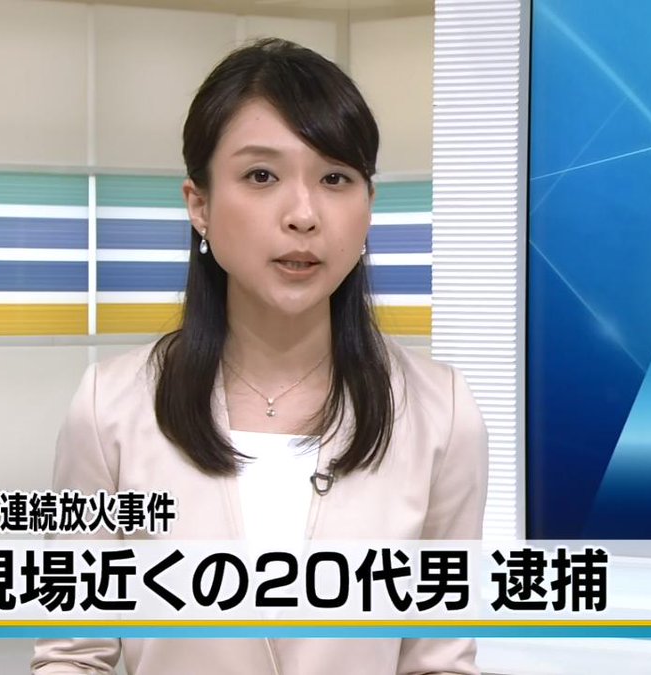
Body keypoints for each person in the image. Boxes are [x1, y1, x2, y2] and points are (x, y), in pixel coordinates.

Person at [32, 37, 487, 675]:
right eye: (261, 176)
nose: (303, 215)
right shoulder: (109, 407)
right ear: (199, 205)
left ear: (368, 207)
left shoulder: (442, 414)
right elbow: (74, 656)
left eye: (335, 178)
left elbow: (438, 660)